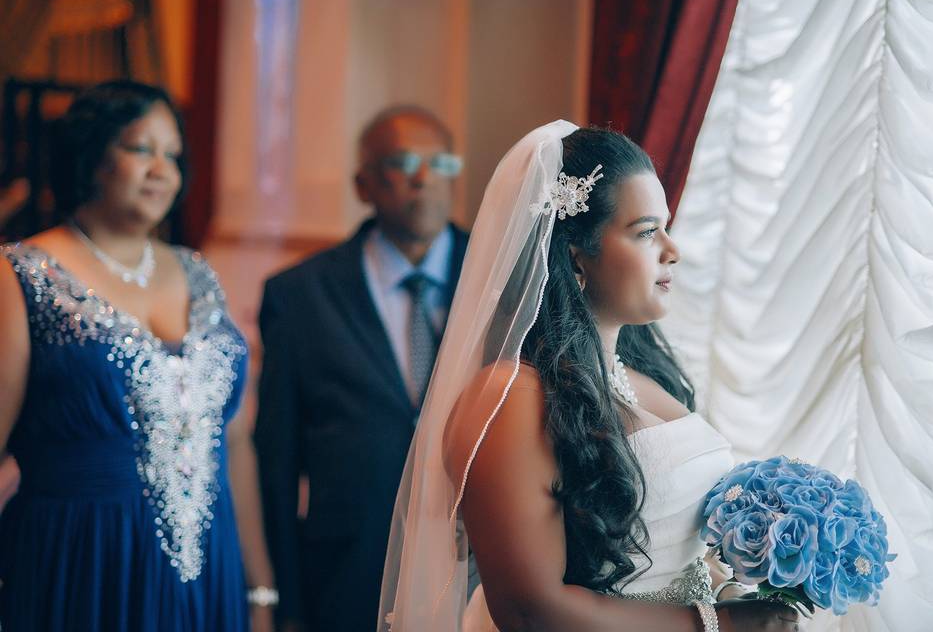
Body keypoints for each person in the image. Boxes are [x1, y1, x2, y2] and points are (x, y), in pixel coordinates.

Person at [378, 122, 802, 631]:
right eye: (646, 231)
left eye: (666, 227)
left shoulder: (648, 374)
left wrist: (734, 589)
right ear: (576, 253)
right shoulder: (513, 397)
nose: (673, 250)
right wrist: (721, 626)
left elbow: (672, 551)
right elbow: (530, 610)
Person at [0, 80, 276, 631]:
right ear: (92, 154)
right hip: (82, 558)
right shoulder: (20, 274)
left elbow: (236, 441)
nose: (162, 170)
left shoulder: (198, 271)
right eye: (140, 148)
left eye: (172, 155)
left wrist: (260, 587)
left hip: (210, 565)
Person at [254, 105, 469, 631]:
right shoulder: (299, 294)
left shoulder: (508, 281)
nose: (423, 178)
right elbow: (276, 459)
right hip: (346, 569)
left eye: (439, 162)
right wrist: (285, 599)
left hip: (475, 565)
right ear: (363, 184)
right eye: (402, 161)